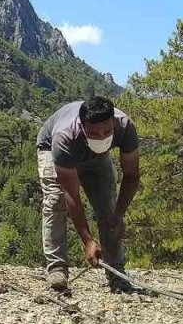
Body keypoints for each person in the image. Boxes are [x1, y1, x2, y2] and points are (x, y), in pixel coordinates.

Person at [36, 95, 141, 293]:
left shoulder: (125, 126)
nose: (101, 137)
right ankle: (57, 268)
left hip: (97, 159)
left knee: (107, 207)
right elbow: (71, 195)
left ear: (113, 124)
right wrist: (88, 241)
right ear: (83, 127)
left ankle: (116, 273)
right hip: (52, 151)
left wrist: (119, 215)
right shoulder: (64, 136)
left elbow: (132, 174)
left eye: (107, 132)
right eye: (94, 133)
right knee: (55, 200)